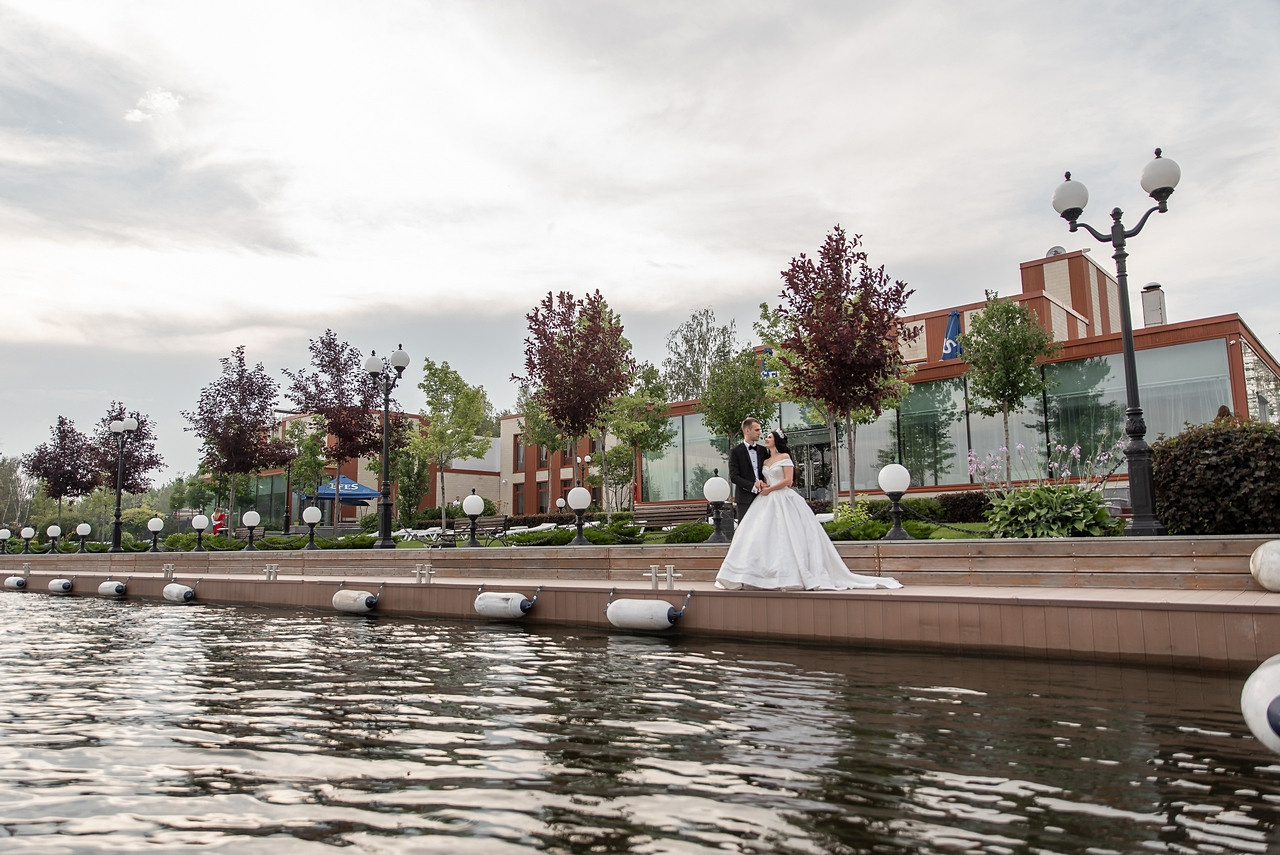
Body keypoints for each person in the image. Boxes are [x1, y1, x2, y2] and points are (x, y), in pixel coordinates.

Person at [716, 430, 903, 591]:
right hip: (764, 500)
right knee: (763, 537)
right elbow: (749, 475)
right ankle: (758, 576)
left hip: (782, 497)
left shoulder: (785, 458)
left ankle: (791, 576)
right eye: (762, 434)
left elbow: (788, 481)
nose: (765, 438)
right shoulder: (765, 459)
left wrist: (770, 489)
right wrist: (760, 486)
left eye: (769, 436)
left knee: (788, 535)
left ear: (776, 440)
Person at [727, 417, 766, 522]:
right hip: (744, 498)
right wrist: (752, 486)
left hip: (763, 496)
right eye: (756, 430)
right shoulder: (735, 452)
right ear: (747, 431)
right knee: (745, 531)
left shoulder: (763, 451)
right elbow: (734, 476)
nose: (759, 433)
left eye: (759, 430)